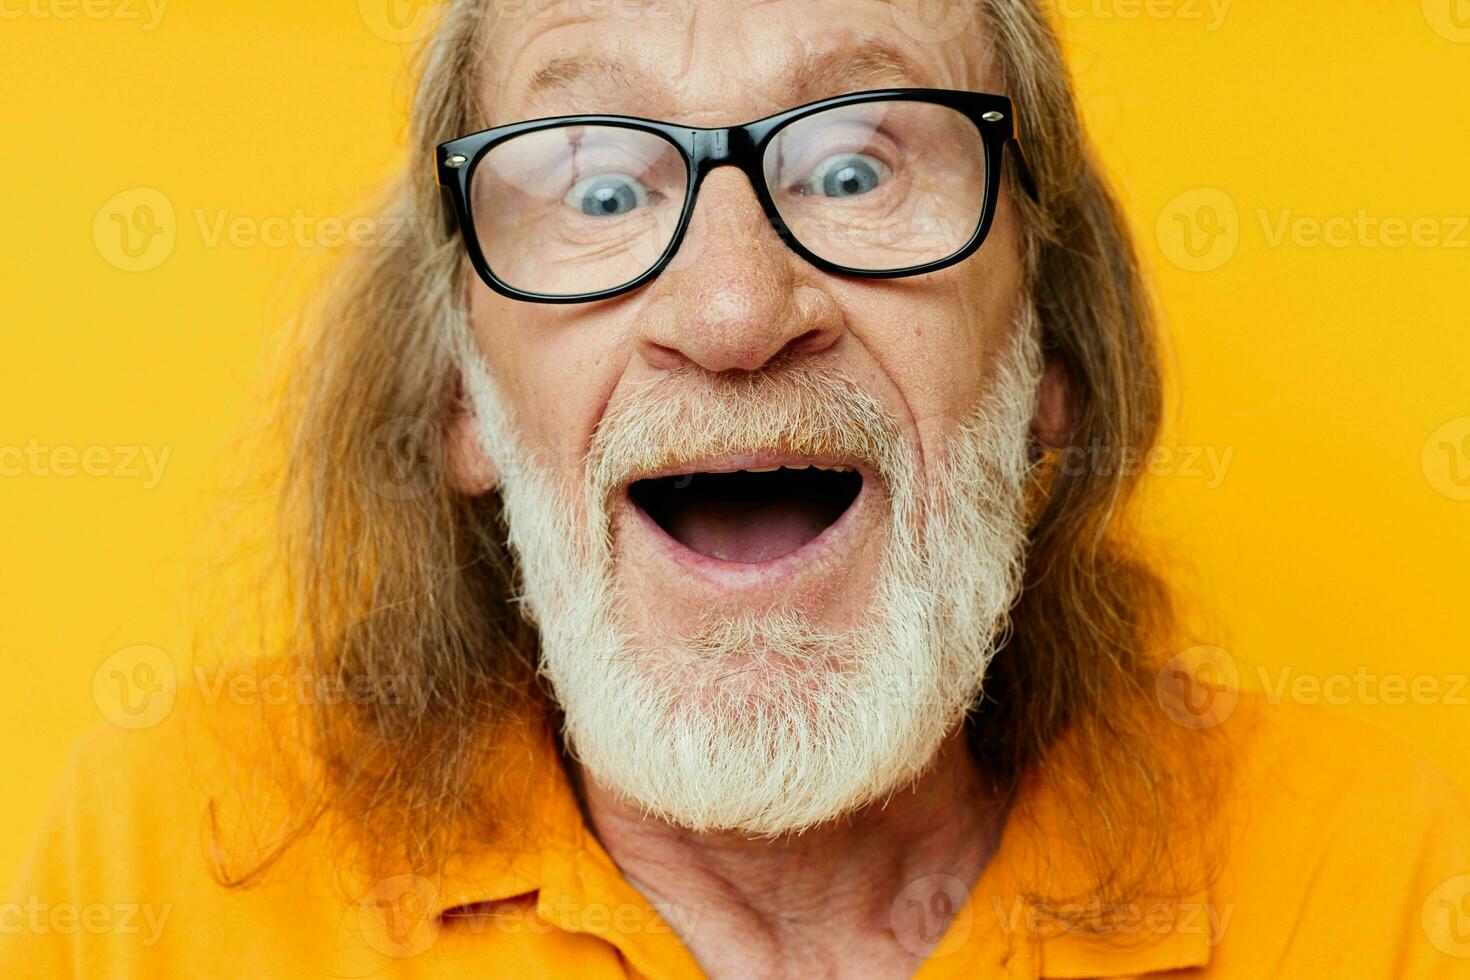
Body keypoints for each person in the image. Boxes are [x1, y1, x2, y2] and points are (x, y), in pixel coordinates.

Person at [6, 0, 1468, 976]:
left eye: (852, 170)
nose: (730, 313)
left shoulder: (1377, 883)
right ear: (460, 392)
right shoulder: (169, 873)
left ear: (1049, 366)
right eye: (595, 189)